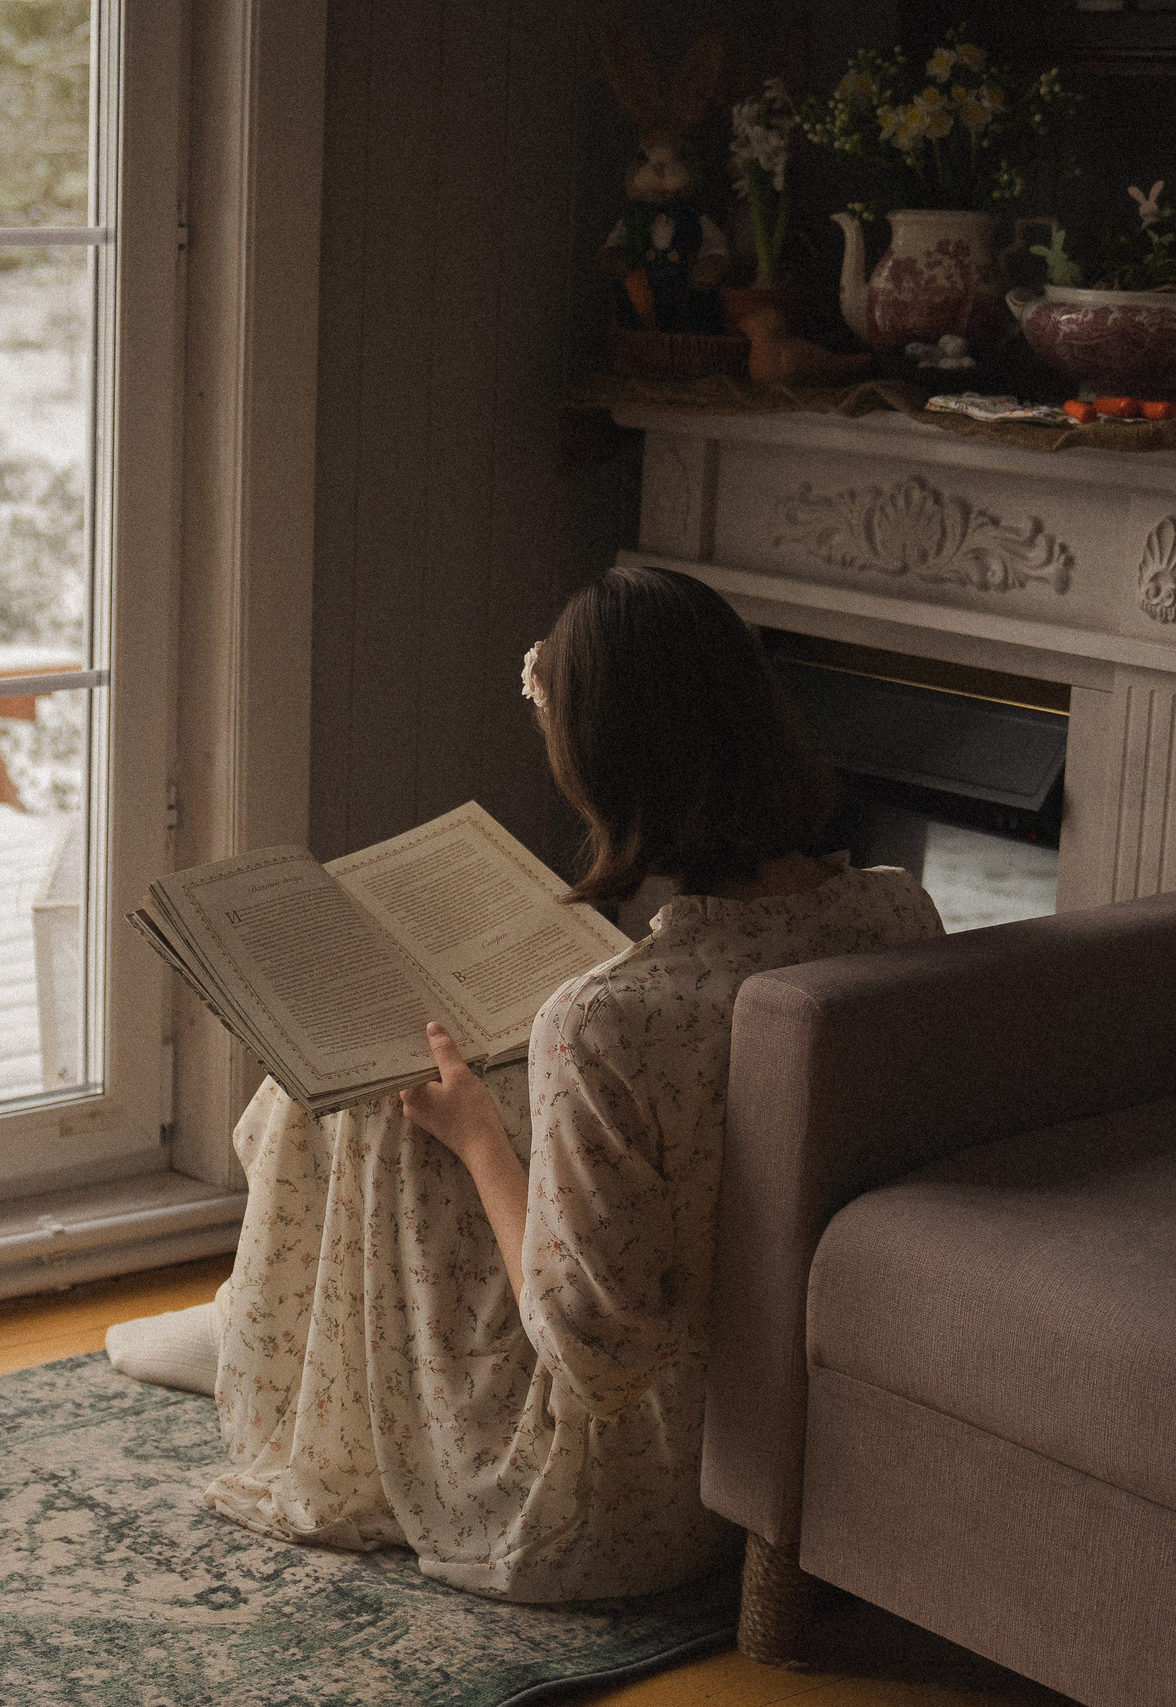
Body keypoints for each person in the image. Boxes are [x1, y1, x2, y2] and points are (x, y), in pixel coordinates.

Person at [107, 563, 945, 1603]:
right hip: (791, 1441)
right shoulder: (896, 916)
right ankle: (257, 1323)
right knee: (450, 1062)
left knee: (385, 1091)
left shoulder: (610, 1019)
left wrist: (477, 1140)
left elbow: (595, 1355)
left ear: (602, 768)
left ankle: (264, 1344)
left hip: (607, 1508)